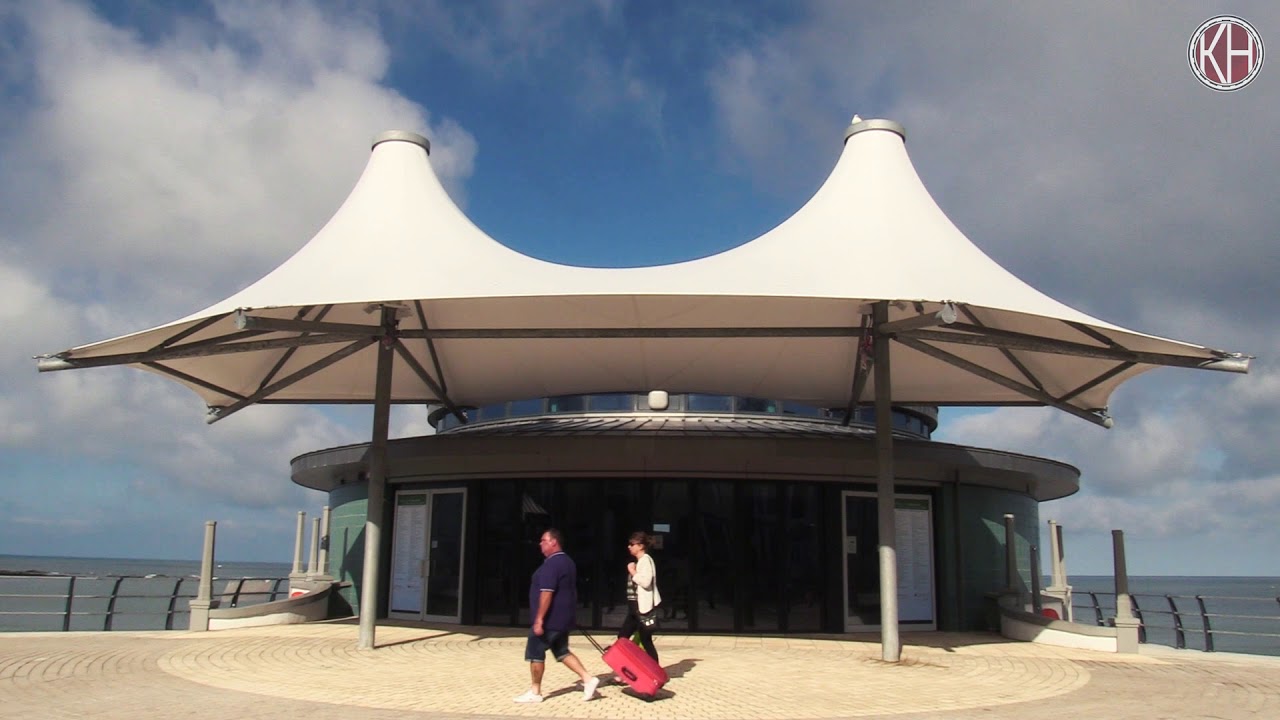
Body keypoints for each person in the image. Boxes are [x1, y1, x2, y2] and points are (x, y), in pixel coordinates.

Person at [514, 528, 601, 704]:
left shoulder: (552, 564)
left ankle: (535, 692)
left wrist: (539, 619)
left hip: (550, 620)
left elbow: (547, 592)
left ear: (554, 542)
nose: (540, 544)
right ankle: (588, 679)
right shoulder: (567, 561)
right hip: (562, 618)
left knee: (535, 652)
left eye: (543, 540)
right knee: (561, 651)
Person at [616, 530, 662, 663]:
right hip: (635, 607)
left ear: (641, 546)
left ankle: (633, 667)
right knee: (642, 639)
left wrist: (632, 571)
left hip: (640, 607)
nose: (629, 547)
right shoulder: (641, 561)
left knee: (626, 638)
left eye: (632, 544)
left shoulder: (645, 560)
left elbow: (646, 582)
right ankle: (645, 667)